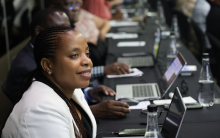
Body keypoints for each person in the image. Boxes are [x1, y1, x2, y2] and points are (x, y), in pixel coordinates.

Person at [4, 8, 130, 119]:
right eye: (61, 29)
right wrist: (92, 111)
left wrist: (89, 93)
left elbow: (64, 93)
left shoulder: (49, 56)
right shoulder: (25, 68)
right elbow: (47, 114)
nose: (68, 34)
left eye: (69, 28)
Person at [1, 25, 97, 138]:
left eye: (87, 54)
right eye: (74, 55)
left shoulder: (69, 87)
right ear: (48, 65)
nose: (88, 61)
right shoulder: (41, 111)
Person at [47, 0, 131, 80]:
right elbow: (70, 75)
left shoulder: (79, 16)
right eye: (70, 4)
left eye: (78, 3)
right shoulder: (55, 33)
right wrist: (102, 70)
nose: (76, 8)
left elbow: (105, 22)